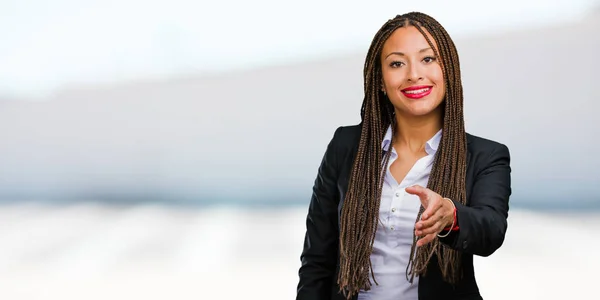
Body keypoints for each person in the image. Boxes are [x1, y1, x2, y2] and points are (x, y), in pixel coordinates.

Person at [296, 12, 512, 300]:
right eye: (397, 63)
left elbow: (491, 231)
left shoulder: (485, 156)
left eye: (428, 59)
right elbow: (317, 261)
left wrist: (451, 216)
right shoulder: (345, 146)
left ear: (448, 71)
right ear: (381, 82)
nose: (413, 74)